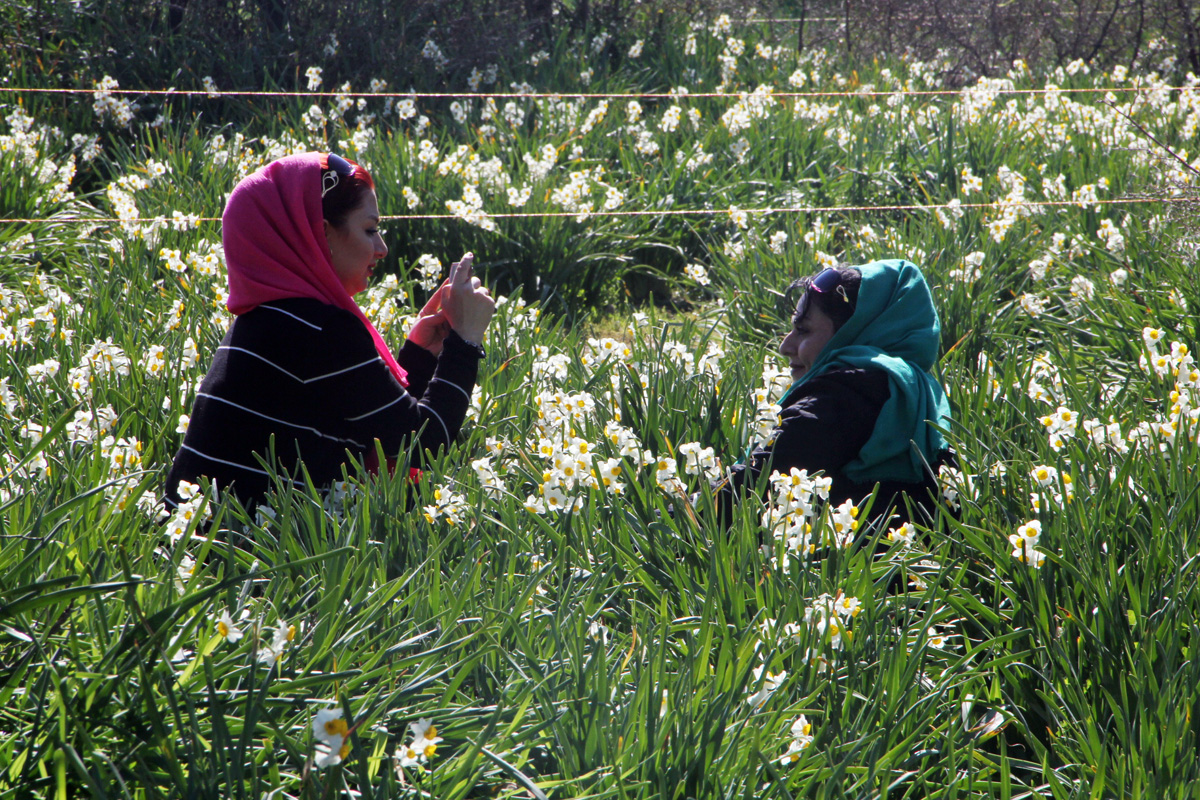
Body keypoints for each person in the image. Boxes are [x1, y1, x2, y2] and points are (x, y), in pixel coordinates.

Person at [164, 152, 495, 512]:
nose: (382, 248)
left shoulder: (270, 319)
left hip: (198, 543)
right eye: (370, 230)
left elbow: (382, 429)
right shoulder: (321, 329)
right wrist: (465, 341)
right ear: (320, 233)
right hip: (243, 549)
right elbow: (423, 443)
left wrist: (418, 353)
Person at [714, 259, 954, 524]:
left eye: (803, 330)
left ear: (851, 332)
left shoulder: (841, 398)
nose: (785, 345)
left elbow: (745, 488)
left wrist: (666, 523)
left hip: (833, 561)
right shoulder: (922, 394)